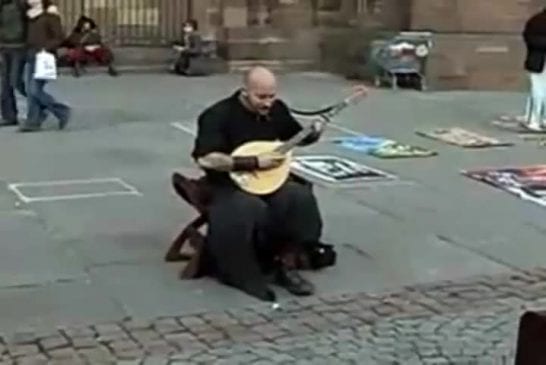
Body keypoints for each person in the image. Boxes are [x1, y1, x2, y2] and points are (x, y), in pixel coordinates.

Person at [191, 66, 331, 302]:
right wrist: (252, 161)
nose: (268, 103)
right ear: (245, 92)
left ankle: (285, 262)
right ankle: (241, 272)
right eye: (261, 97)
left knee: (298, 197)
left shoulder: (276, 110)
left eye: (272, 96)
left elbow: (294, 137)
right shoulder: (218, 115)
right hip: (229, 182)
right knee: (248, 207)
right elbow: (206, 158)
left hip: (269, 181)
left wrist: (314, 133)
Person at [21, 0, 70, 132]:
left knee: (34, 90)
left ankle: (61, 110)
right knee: (30, 90)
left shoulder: (50, 15)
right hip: (31, 55)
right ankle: (33, 121)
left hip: (44, 56)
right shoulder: (29, 15)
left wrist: (45, 47)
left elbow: (59, 37)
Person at [0, 0, 27, 127]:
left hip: (19, 47)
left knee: (15, 81)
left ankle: (41, 102)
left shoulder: (20, 5)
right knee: (4, 83)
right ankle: (9, 116)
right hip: (4, 47)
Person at [523, 7, 546, 131]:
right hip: (538, 62)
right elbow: (530, 39)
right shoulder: (537, 21)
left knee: (540, 92)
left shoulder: (535, 20)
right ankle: (533, 121)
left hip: (538, 61)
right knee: (538, 92)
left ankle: (540, 119)